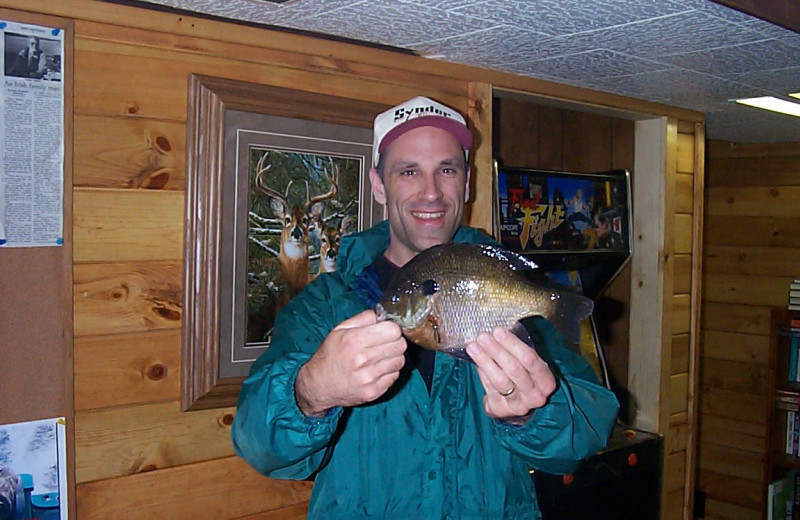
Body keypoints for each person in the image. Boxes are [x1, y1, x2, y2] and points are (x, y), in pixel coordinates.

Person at [232, 96, 619, 520]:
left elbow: (591, 427)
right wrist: (310, 392)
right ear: (379, 185)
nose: (431, 192)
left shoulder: (515, 298)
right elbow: (257, 445)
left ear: (467, 183)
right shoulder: (322, 308)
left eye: (447, 170)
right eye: (409, 171)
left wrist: (532, 415)